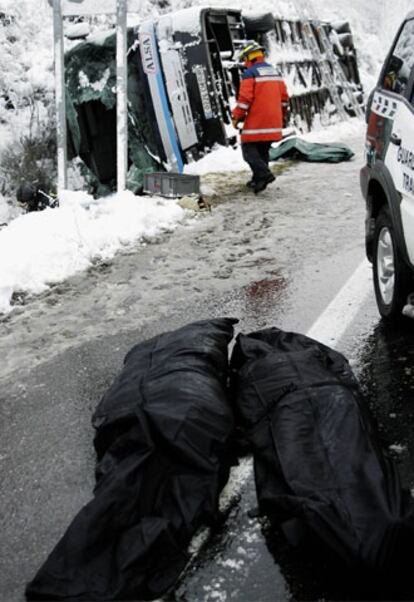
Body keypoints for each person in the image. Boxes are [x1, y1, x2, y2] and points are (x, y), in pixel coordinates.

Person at [232, 42, 289, 194]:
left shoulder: (250, 73)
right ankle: (258, 180)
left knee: (248, 150)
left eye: (245, 58)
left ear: (250, 57)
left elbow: (245, 100)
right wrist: (282, 116)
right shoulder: (274, 72)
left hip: (258, 121)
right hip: (274, 121)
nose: (244, 62)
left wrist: (236, 117)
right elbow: (284, 98)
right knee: (262, 150)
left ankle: (264, 174)